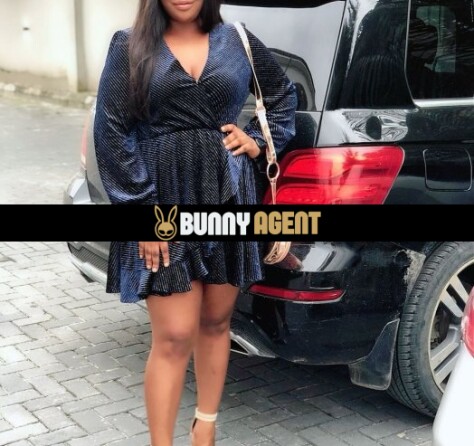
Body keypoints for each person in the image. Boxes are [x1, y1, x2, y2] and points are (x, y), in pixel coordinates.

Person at [93, 0, 297, 445]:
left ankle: (205, 427)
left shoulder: (236, 39)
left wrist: (259, 141)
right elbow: (111, 133)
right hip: (163, 201)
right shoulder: (129, 45)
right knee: (173, 336)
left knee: (216, 322)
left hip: (228, 196)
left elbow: (283, 96)